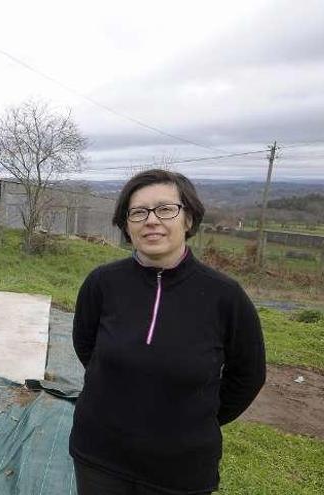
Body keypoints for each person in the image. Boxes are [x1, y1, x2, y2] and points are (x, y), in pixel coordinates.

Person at [70, 169, 266, 494]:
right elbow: (86, 346)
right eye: (138, 212)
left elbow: (248, 375)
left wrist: (196, 419)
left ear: (187, 219)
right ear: (126, 224)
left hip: (181, 469)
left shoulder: (225, 296)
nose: (151, 220)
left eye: (165, 209)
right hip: (98, 456)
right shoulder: (102, 283)